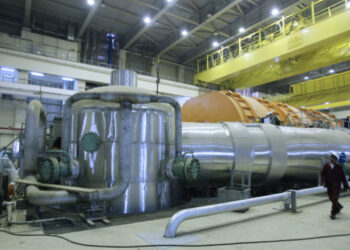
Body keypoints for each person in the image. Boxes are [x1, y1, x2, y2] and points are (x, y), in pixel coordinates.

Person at [321, 152, 349, 219]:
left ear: (336, 159)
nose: (332, 159)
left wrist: (346, 186)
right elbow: (322, 174)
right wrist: (323, 182)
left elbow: (343, 177)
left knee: (334, 199)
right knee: (331, 198)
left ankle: (333, 213)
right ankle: (339, 206)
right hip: (329, 186)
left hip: (336, 187)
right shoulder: (326, 165)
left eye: (334, 158)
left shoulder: (339, 167)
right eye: (331, 157)